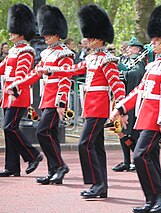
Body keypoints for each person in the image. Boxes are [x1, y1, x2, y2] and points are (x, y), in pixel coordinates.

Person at [36, 4, 125, 198]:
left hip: (99, 108)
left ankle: (96, 183)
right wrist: (50, 70)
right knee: (97, 147)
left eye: (91, 38)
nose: (87, 40)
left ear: (100, 39)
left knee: (84, 144)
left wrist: (120, 109)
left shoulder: (107, 60)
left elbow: (117, 85)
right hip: (91, 107)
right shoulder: (93, 58)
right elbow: (71, 70)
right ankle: (102, 186)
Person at [110, 5, 161, 213]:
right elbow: (138, 91)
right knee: (151, 158)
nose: (152, 43)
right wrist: (120, 108)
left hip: (155, 119)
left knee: (139, 155)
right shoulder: (152, 66)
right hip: (145, 116)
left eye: (155, 40)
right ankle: (152, 200)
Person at [7, 5, 74, 185]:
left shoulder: (64, 54)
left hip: (55, 99)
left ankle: (59, 166)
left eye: (47, 33)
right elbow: (34, 75)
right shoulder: (46, 54)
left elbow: (66, 79)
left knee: (42, 132)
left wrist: (61, 102)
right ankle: (54, 171)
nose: (44, 36)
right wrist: (17, 84)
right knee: (50, 134)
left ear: (57, 33)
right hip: (46, 98)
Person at [0, 3, 43, 177]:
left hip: (18, 94)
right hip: (8, 95)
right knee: (8, 130)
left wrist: (13, 89)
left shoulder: (26, 51)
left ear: (20, 32)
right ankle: (12, 167)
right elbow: (2, 67)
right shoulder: (13, 50)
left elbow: (22, 74)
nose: (10, 33)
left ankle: (33, 155)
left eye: (13, 31)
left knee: (10, 127)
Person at [112, 37, 146, 172]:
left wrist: (124, 74)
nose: (128, 50)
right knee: (121, 130)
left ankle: (136, 160)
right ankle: (126, 160)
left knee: (133, 132)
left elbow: (136, 74)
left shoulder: (139, 61)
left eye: (131, 48)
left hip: (134, 103)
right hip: (123, 98)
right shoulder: (126, 60)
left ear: (137, 50)